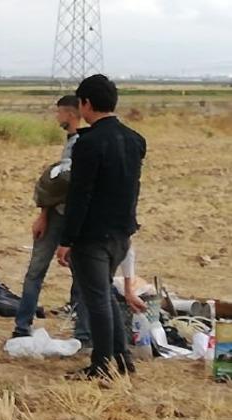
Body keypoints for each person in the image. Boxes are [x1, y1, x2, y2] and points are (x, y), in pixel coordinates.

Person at [56, 74, 146, 379]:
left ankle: (102, 366)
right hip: (122, 233)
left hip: (92, 236)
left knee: (97, 302)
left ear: (85, 103)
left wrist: (67, 239)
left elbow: (80, 196)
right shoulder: (135, 140)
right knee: (105, 295)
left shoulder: (88, 143)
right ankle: (122, 359)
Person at [11, 95, 83, 338]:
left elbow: (65, 183)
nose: (56, 117)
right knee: (40, 271)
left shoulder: (80, 144)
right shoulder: (72, 141)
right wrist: (44, 213)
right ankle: (23, 326)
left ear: (70, 114)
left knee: (75, 272)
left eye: (59, 112)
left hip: (70, 216)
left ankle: (80, 327)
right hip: (57, 213)